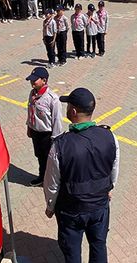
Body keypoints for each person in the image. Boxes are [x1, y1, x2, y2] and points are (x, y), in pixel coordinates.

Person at [43, 87, 120, 263]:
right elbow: (114, 170)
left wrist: (50, 206)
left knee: (71, 252)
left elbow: (52, 183)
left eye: (68, 105)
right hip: (100, 207)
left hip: (71, 211)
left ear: (74, 111)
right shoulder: (110, 137)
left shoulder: (60, 145)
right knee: (99, 245)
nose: (67, 109)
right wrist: (109, 189)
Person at [26, 67, 63, 187]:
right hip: (36, 133)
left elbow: (57, 119)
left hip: (47, 135)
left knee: (50, 159)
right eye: (31, 80)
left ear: (44, 80)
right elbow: (30, 112)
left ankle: (54, 181)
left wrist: (56, 138)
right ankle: (42, 177)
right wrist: (29, 127)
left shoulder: (52, 99)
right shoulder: (32, 94)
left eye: (35, 80)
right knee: (40, 157)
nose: (32, 82)